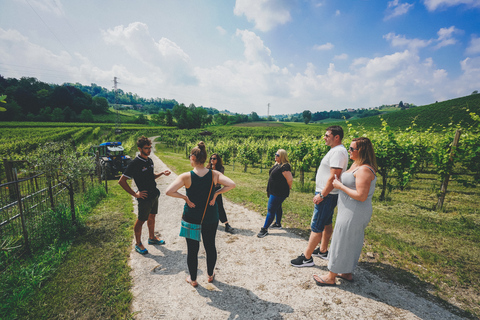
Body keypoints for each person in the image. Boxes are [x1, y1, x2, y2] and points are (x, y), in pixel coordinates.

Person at [165, 142, 236, 287]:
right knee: (210, 246)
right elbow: (231, 184)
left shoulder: (186, 176)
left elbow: (168, 191)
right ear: (204, 158)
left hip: (191, 217)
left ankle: (193, 279)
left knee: (192, 250)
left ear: (192, 158)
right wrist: (216, 193)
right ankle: (210, 275)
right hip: (210, 216)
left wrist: (185, 198)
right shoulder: (215, 174)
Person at [313, 137, 377, 286]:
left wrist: (340, 186)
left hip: (354, 211)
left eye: (352, 149)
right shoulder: (358, 165)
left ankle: (330, 276)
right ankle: (346, 272)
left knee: (341, 240)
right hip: (349, 210)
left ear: (361, 151)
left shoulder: (364, 170)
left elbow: (361, 196)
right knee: (350, 241)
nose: (349, 151)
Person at [291, 126, 348, 267]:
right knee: (327, 223)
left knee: (316, 226)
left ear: (337, 137)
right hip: (329, 194)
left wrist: (322, 194)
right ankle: (322, 251)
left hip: (326, 195)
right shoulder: (336, 151)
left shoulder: (338, 152)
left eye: (327, 135)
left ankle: (307, 258)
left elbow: (334, 176)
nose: (324, 137)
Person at [118, 136, 171, 255]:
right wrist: (135, 194)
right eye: (146, 148)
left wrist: (162, 173)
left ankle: (151, 238)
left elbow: (150, 176)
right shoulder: (134, 163)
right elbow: (121, 181)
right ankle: (138, 243)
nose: (149, 150)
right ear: (140, 148)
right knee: (141, 220)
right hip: (144, 197)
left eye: (150, 147)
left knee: (152, 216)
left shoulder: (149, 160)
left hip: (154, 194)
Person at [257, 149, 293, 238]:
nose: (275, 156)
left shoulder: (285, 166)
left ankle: (264, 229)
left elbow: (290, 179)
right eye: (275, 154)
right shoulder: (277, 164)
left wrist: (288, 187)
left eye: (277, 155)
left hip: (279, 192)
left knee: (271, 209)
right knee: (277, 206)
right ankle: (277, 223)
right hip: (273, 190)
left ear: (282, 157)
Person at [206, 153, 235, 234]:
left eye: (214, 158)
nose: (212, 159)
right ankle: (206, 222)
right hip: (208, 189)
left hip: (217, 189)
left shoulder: (221, 168)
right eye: (211, 158)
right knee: (207, 206)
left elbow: (220, 179)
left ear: (217, 160)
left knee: (219, 206)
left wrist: (214, 170)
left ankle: (226, 224)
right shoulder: (207, 167)